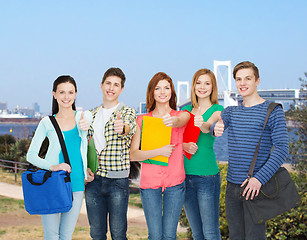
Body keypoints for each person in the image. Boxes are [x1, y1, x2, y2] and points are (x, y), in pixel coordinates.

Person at [211, 61, 289, 239]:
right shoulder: (231, 112)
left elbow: (282, 149)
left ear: (257, 81)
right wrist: (215, 128)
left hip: (257, 188)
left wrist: (259, 179)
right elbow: (215, 126)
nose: (242, 83)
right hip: (232, 188)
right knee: (235, 236)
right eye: (238, 79)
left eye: (247, 78)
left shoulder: (273, 110)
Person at [27, 75, 93, 239]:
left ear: (76, 94)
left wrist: (85, 126)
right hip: (52, 183)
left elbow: (89, 120)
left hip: (76, 183)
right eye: (62, 92)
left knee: (66, 236)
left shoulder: (83, 117)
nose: (66, 97)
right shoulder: (47, 122)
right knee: (51, 236)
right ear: (54, 94)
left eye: (70, 92)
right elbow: (31, 155)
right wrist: (53, 166)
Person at [130, 72, 190, 240]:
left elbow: (184, 118)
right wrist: (159, 151)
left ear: (172, 91)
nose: (162, 92)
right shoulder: (141, 120)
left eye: (166, 87)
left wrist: (174, 122)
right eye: (158, 88)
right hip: (149, 184)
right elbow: (133, 155)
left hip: (175, 182)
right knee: (155, 235)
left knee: (170, 235)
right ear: (152, 92)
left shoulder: (180, 116)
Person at [85, 67, 137, 240]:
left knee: (118, 234)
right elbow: (84, 146)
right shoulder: (90, 114)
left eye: (116, 85)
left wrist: (122, 128)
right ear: (101, 85)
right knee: (97, 234)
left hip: (117, 182)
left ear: (121, 89)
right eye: (108, 83)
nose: (111, 88)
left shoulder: (127, 111)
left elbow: (129, 128)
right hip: (93, 181)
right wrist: (85, 169)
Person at [182, 69, 223, 240]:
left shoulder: (218, 110)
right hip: (184, 176)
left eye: (207, 83)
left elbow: (209, 128)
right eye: (198, 82)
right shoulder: (184, 110)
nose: (202, 87)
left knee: (211, 232)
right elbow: (175, 141)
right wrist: (184, 145)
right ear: (193, 86)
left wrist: (202, 124)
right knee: (197, 233)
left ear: (213, 87)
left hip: (207, 177)